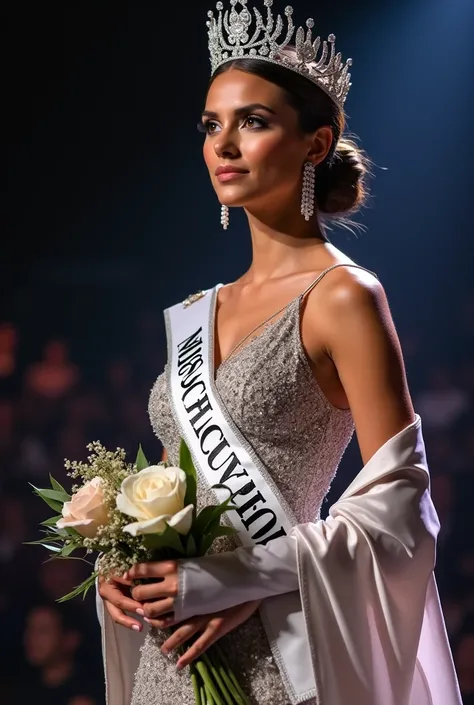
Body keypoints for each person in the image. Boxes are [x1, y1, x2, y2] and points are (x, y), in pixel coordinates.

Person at [98, 1, 461, 703]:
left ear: (315, 143)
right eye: (211, 125)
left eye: (253, 122)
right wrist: (130, 560)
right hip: (169, 650)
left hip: (276, 658)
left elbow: (402, 511)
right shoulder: (201, 309)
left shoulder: (343, 296)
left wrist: (236, 579)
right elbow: (188, 485)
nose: (224, 145)